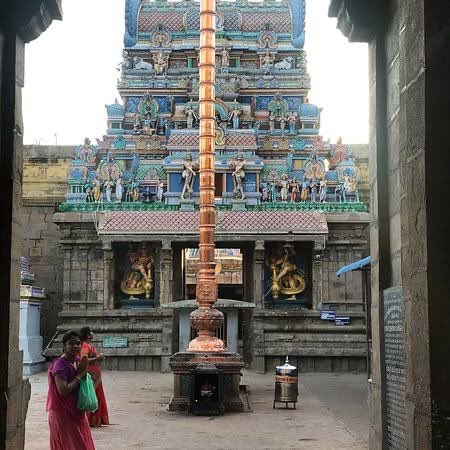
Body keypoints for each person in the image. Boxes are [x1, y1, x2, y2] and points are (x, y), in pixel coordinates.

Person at [47, 330, 95, 450]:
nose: (75, 346)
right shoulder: (60, 365)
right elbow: (63, 390)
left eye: (78, 343)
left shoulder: (76, 361)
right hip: (63, 414)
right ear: (64, 346)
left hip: (77, 411)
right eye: (71, 343)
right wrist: (80, 375)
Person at [80, 327, 109, 427]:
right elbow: (83, 359)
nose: (92, 333)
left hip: (96, 375)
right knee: (91, 396)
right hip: (91, 375)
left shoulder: (89, 345)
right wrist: (98, 357)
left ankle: (95, 420)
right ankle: (88, 420)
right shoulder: (85, 345)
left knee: (96, 396)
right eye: (91, 332)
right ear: (88, 335)